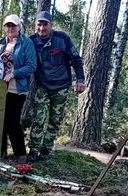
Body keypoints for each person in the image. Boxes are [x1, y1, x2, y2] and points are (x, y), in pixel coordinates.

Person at [27, 10, 85, 162]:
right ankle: (33, 150)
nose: (42, 28)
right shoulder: (31, 41)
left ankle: (46, 150)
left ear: (51, 25)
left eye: (45, 24)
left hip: (61, 87)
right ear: (35, 25)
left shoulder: (62, 38)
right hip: (42, 86)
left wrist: (80, 80)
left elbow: (76, 59)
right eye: (39, 24)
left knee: (54, 120)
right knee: (39, 119)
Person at [0, 14, 37, 164]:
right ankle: (0, 151)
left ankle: (20, 153)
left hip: (17, 88)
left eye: (13, 25)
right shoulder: (0, 43)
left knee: (12, 119)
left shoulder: (26, 43)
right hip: (0, 88)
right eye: (8, 25)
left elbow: (31, 65)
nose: (10, 28)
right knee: (0, 119)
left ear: (19, 27)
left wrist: (13, 74)